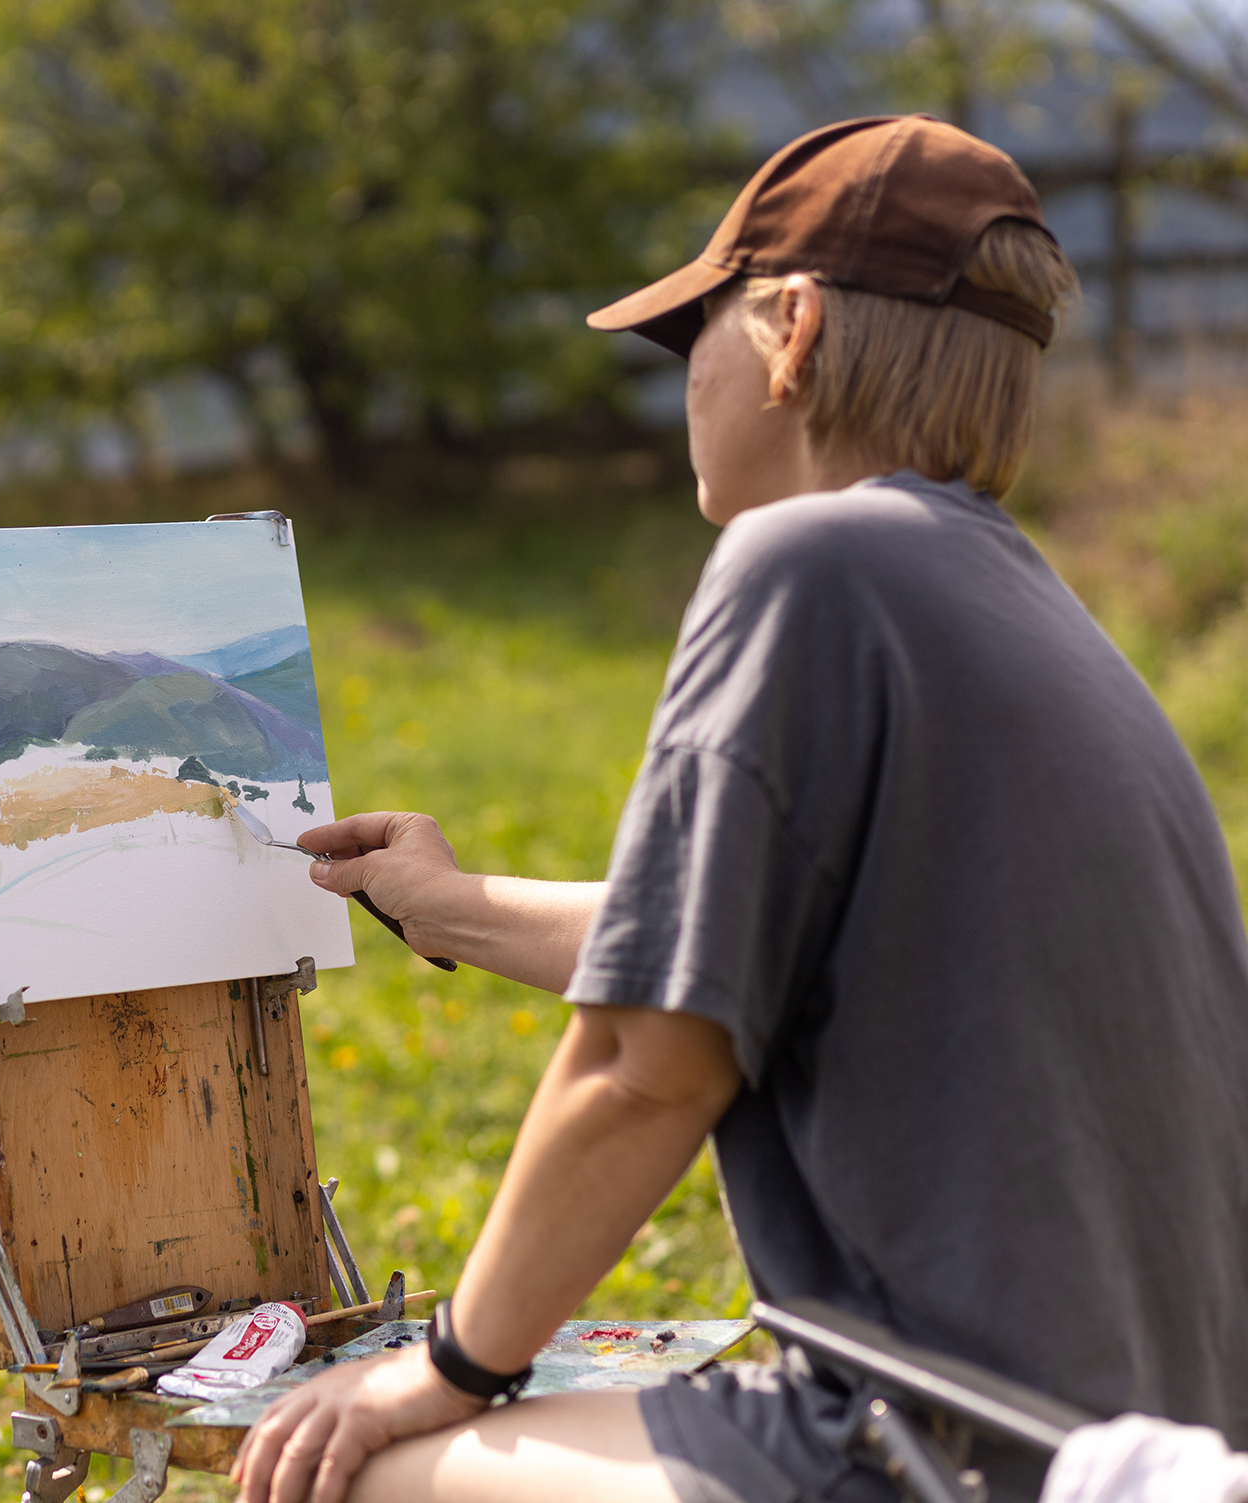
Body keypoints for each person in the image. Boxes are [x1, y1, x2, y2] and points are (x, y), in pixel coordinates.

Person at [231, 114, 1248, 1503]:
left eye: (688, 335)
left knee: (357, 1471)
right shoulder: (1035, 616)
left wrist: (448, 1368)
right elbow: (753, 953)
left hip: (941, 1449)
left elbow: (649, 1064)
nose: (679, 384)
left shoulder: (808, 565)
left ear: (793, 329)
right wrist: (457, 910)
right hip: (1139, 1437)